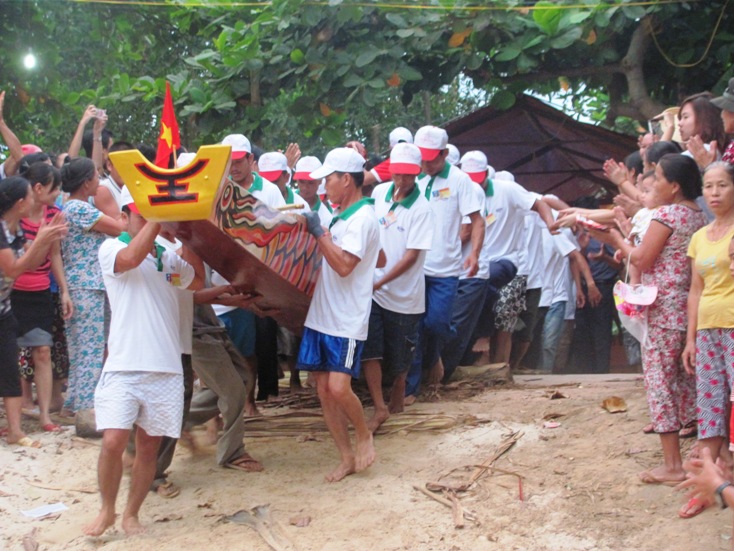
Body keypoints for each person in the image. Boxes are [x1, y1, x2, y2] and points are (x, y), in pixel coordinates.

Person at [83, 188, 200, 537]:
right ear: (123, 217)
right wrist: (159, 218)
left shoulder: (166, 252)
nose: (145, 219)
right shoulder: (111, 248)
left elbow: (196, 280)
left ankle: (131, 514)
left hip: (165, 364)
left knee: (149, 448)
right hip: (123, 364)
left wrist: (191, 235)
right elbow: (132, 259)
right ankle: (106, 510)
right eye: (138, 213)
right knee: (113, 441)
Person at [590, 154, 706, 489]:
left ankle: (672, 464)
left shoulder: (668, 214)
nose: (651, 184)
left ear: (675, 186)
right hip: (687, 308)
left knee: (659, 382)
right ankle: (696, 455)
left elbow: (641, 257)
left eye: (656, 177)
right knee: (684, 379)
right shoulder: (696, 215)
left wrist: (616, 241)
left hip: (663, 309)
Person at [298, 147, 380, 482]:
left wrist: (318, 233)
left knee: (338, 387)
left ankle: (363, 433)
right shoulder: (341, 216)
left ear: (346, 180)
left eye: (328, 180)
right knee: (323, 389)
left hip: (346, 317)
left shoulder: (362, 218)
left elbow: (345, 266)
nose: (323, 187)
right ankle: (345, 455)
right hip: (322, 313)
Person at [405, 126, 484, 399]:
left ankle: (435, 355)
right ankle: (411, 389)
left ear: (445, 153)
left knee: (436, 323)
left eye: (432, 158)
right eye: (422, 158)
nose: (426, 164)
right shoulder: (416, 179)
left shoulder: (461, 181)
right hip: (415, 268)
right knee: (414, 330)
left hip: (446, 270)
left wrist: (474, 253)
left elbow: (477, 220)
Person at [362, 143, 434, 431]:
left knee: (400, 356)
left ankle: (400, 384)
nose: (401, 181)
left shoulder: (422, 209)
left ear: (416, 173)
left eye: (407, 175)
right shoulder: (379, 193)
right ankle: (379, 406)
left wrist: (382, 278)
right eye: (397, 174)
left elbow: (412, 255)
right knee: (371, 348)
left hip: (404, 295)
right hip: (375, 291)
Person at [681, 162, 734, 518]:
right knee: (710, 407)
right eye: (708, 186)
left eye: (723, 186)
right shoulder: (700, 237)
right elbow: (695, 291)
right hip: (707, 330)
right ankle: (705, 486)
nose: (714, 193)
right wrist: (690, 339)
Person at [0, 176, 67, 447]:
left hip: (4, 308)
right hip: (9, 304)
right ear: (19, 203)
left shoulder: (15, 231)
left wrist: (44, 240)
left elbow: (33, 262)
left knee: (9, 367)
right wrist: (42, 238)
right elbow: (13, 269)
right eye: (29, 195)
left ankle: (15, 430)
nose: (33, 199)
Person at [60, 158, 126, 417]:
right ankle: (88, 409)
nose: (99, 181)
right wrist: (125, 216)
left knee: (82, 347)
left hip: (83, 284)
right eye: (95, 176)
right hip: (89, 285)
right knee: (92, 348)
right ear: (86, 182)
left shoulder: (72, 207)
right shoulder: (80, 209)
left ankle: (74, 404)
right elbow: (119, 228)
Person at [11, 163, 73, 431]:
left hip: (40, 291)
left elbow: (55, 255)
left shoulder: (54, 213)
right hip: (12, 291)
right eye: (54, 188)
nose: (58, 193)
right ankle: (13, 416)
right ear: (38, 188)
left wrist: (64, 291)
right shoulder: (14, 214)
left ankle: (45, 415)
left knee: (43, 351)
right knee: (10, 353)